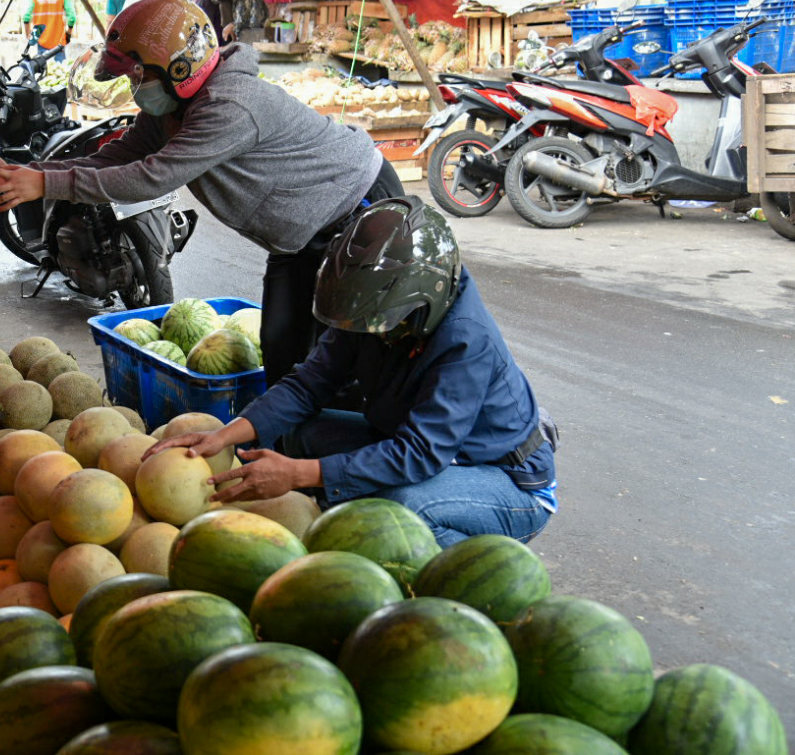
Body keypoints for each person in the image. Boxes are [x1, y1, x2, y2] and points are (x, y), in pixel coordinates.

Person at [0, 0, 401, 381]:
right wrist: (30, 173)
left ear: (179, 66)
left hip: (360, 211)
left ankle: (340, 457)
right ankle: (284, 450)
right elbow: (118, 155)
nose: (132, 87)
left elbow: (151, 177)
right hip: (300, 239)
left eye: (136, 76)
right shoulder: (175, 106)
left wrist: (46, 183)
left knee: (355, 358)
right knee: (283, 349)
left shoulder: (229, 105)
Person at [146, 197, 558, 547]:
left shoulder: (466, 343)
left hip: (506, 480)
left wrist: (299, 474)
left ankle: (452, 582)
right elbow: (309, 384)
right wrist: (224, 434)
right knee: (299, 435)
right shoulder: (375, 311)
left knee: (404, 508)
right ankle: (341, 529)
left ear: (420, 305)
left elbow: (421, 453)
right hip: (421, 449)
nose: (366, 336)